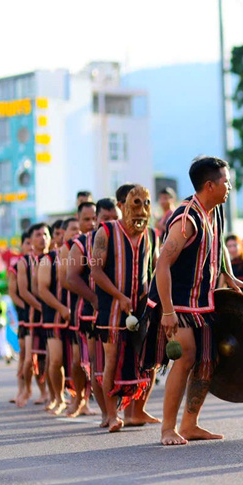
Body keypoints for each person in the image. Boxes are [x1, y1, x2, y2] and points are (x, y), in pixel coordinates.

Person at [140, 156, 243, 446]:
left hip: (202, 300)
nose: (229, 186)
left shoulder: (216, 211)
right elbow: (162, 265)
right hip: (176, 301)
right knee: (186, 356)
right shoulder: (186, 218)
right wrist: (167, 311)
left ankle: (190, 424)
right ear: (210, 185)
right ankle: (167, 428)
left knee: (207, 361)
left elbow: (219, 242)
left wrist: (227, 273)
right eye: (226, 181)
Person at [91, 185, 160, 432]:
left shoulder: (152, 235)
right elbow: (95, 271)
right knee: (111, 360)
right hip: (111, 309)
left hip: (141, 310)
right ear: (123, 205)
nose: (141, 209)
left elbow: (153, 271)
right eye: (136, 203)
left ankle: (137, 412)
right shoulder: (106, 231)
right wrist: (119, 296)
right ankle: (112, 416)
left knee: (148, 359)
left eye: (146, 203)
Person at [67, 198, 118, 427]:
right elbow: (71, 277)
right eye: (105, 218)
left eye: (114, 217)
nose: (110, 222)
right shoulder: (83, 243)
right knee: (99, 364)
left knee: (120, 362)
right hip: (92, 313)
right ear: (97, 220)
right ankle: (107, 414)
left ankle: (124, 411)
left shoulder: (124, 239)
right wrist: (95, 298)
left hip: (120, 311)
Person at [38, 219, 79, 415]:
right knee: (55, 360)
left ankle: (80, 400)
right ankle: (57, 398)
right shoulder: (49, 259)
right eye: (59, 234)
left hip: (77, 315)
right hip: (54, 316)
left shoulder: (84, 255)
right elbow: (43, 290)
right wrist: (62, 308)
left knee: (78, 361)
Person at [62, 203, 99, 418]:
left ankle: (93, 402)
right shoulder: (75, 244)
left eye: (95, 217)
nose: (92, 223)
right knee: (78, 360)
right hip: (81, 308)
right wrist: (91, 294)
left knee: (97, 360)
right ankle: (77, 398)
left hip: (104, 309)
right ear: (79, 220)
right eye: (86, 219)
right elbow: (67, 280)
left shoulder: (109, 240)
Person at [17, 223, 52, 407]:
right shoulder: (24, 262)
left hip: (53, 315)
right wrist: (41, 307)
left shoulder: (56, 257)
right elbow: (23, 292)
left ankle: (49, 393)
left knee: (51, 357)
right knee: (32, 357)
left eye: (45, 234)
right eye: (38, 234)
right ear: (31, 240)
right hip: (34, 316)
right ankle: (27, 390)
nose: (42, 238)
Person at [8, 231, 31, 401]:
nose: (31, 246)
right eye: (27, 243)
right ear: (22, 246)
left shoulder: (46, 261)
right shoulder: (15, 267)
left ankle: (45, 392)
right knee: (25, 355)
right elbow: (14, 294)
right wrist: (28, 309)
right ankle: (22, 390)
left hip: (44, 313)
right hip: (26, 314)